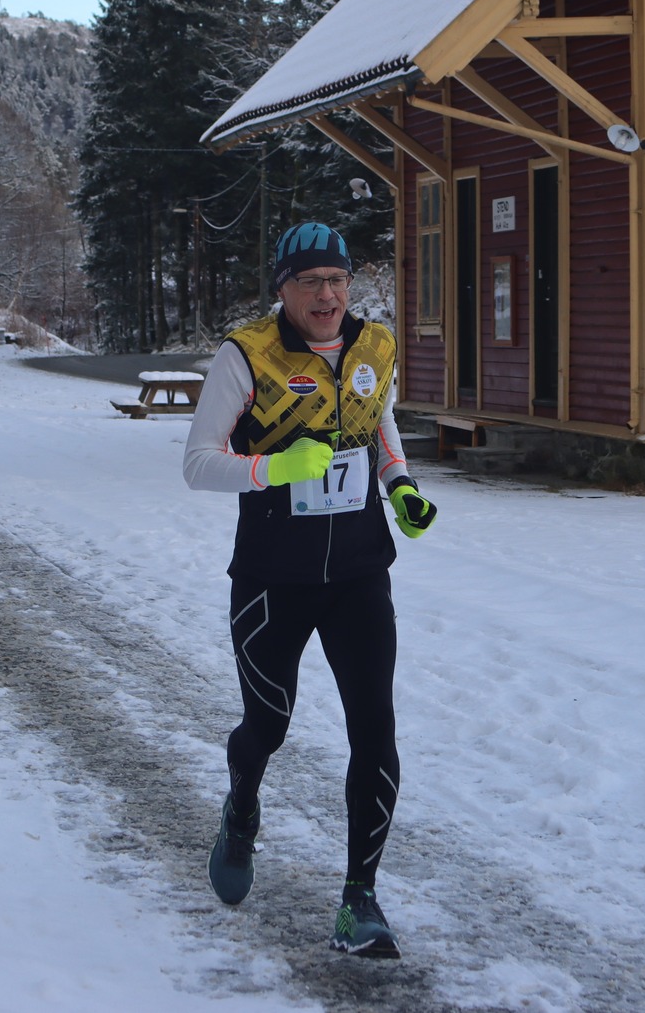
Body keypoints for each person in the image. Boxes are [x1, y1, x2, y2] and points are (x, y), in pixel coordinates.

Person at [182, 222, 440, 960]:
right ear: (283, 289)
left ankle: (360, 898)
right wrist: (273, 469)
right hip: (273, 575)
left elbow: (379, 423)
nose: (326, 296)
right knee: (268, 725)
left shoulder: (375, 346)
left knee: (375, 729)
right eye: (309, 282)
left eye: (337, 280)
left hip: (359, 570)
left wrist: (401, 485)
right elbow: (198, 463)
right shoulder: (246, 355)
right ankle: (242, 808)